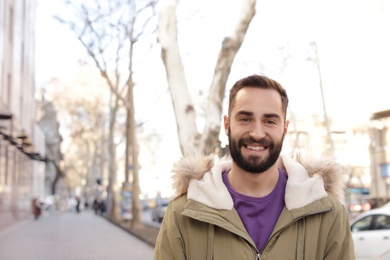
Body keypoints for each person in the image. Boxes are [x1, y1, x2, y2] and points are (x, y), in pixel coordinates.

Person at [153, 74, 355, 259]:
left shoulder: (328, 214)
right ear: (227, 124)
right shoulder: (184, 213)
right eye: (245, 119)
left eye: (269, 121)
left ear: (285, 128)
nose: (257, 133)